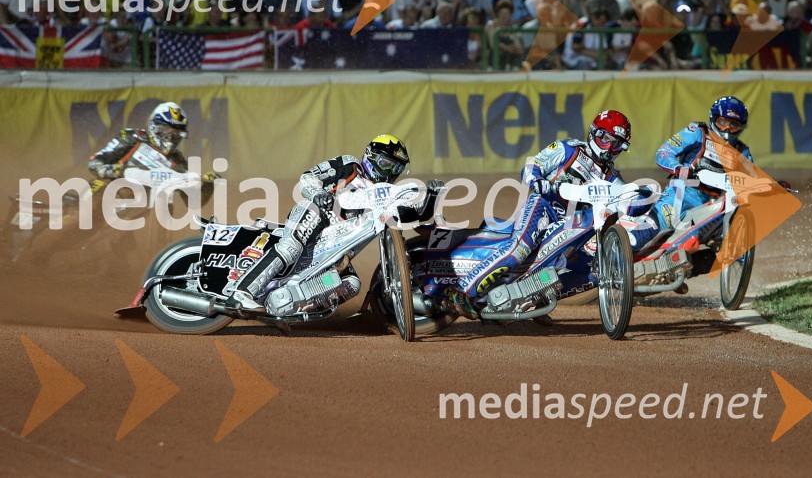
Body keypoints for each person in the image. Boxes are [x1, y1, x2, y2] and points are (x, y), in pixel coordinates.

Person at [445, 111, 635, 318]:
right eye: (606, 138)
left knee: (566, 267)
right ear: (593, 133)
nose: (609, 147)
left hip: (571, 224)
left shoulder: (612, 178)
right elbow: (532, 165)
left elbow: (629, 202)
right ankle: (461, 291)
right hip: (544, 206)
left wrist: (641, 196)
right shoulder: (568, 148)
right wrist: (537, 180)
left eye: (617, 143)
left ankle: (529, 301)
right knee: (519, 249)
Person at [229, 135, 443, 310]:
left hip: (334, 252)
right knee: (291, 249)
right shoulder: (349, 165)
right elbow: (308, 177)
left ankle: (289, 306)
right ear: (371, 156)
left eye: (397, 168)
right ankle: (242, 292)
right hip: (315, 216)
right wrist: (318, 194)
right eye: (387, 163)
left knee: (349, 284)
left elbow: (415, 215)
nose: (390, 172)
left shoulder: (389, 195)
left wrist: (432, 196)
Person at [628, 97, 753, 255]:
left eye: (734, 125)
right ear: (713, 119)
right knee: (642, 235)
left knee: (731, 224)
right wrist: (678, 168)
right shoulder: (697, 133)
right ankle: (612, 257)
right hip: (681, 194)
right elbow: (665, 152)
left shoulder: (742, 151)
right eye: (723, 122)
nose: (728, 128)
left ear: (741, 127)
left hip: (712, 206)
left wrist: (775, 186)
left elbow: (752, 180)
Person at [88, 102, 191, 180]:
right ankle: (75, 206)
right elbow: (94, 162)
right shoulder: (133, 137)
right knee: (98, 185)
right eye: (167, 130)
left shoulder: (177, 160)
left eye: (176, 132)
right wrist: (111, 171)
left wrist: (205, 185)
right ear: (154, 126)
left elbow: (192, 199)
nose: (171, 136)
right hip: (114, 191)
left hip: (148, 206)